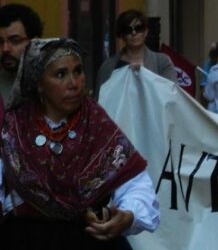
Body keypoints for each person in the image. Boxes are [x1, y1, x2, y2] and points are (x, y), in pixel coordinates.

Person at [0, 38, 160, 248]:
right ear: (39, 83)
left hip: (88, 238)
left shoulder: (97, 126)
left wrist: (128, 216)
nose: (74, 83)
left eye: (78, 71)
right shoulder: (15, 128)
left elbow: (136, 186)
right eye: (60, 74)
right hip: (26, 238)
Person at [96, 9, 177, 96]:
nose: (134, 33)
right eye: (128, 30)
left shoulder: (162, 62)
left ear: (146, 31)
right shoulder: (108, 66)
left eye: (138, 28)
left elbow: (171, 93)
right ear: (122, 35)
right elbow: (101, 100)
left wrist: (143, 75)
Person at [0, 3, 43, 104]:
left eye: (15, 41)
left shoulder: (51, 83)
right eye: (0, 42)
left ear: (35, 43)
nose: (5, 49)